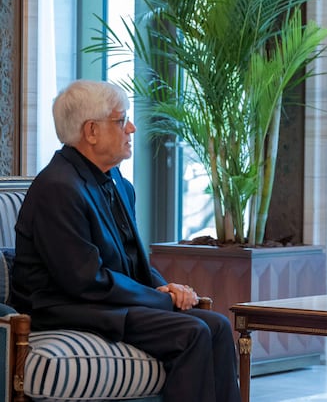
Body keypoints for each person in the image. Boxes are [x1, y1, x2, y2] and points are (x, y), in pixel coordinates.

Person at [11, 80, 240, 402]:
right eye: (121, 120)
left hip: (102, 301)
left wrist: (164, 287)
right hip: (66, 307)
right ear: (91, 131)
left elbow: (132, 261)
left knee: (216, 325)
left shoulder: (119, 182)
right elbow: (84, 282)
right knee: (191, 332)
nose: (131, 128)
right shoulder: (58, 188)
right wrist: (160, 300)